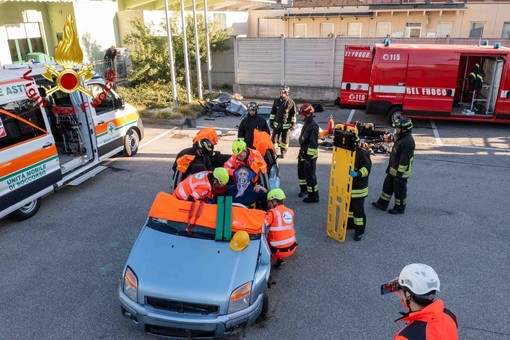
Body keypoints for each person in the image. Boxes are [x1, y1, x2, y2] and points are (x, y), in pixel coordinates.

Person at [386, 263, 458, 340]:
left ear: (408, 294)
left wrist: (405, 297)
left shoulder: (405, 337)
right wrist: (405, 296)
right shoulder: (450, 316)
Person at [372, 117, 415, 214]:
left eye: (399, 128)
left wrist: (399, 174)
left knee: (399, 191)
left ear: (405, 129)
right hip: (393, 169)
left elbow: (404, 161)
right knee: (387, 186)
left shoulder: (408, 142)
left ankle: (400, 208)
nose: (397, 130)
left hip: (400, 173)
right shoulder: (402, 137)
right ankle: (382, 204)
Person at [264, 188, 297, 269]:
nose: (268, 204)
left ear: (274, 202)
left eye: (269, 202)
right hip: (293, 247)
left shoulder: (272, 213)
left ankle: (276, 259)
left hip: (278, 251)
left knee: (265, 236)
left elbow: (262, 225)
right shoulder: (290, 211)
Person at [348, 135, 372, 241]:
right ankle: (350, 224)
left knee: (358, 211)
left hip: (359, 189)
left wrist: (357, 174)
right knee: (349, 209)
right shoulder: (347, 152)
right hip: (349, 187)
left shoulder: (363, 154)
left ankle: (359, 231)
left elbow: (366, 170)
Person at [297, 103, 319, 203]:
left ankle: (313, 197)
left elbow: (313, 144)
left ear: (308, 114)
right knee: (301, 174)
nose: (301, 115)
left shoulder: (314, 126)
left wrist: (309, 158)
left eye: (302, 114)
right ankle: (304, 190)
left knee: (310, 177)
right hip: (303, 153)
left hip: (309, 156)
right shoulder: (307, 123)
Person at [269, 86, 297, 158]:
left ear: (287, 93)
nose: (281, 94)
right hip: (276, 125)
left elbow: (293, 114)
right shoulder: (276, 101)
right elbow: (273, 112)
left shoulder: (291, 102)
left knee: (284, 141)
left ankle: (283, 153)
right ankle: (274, 153)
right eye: (281, 92)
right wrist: (271, 122)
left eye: (283, 93)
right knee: (274, 140)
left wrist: (293, 124)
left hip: (286, 126)